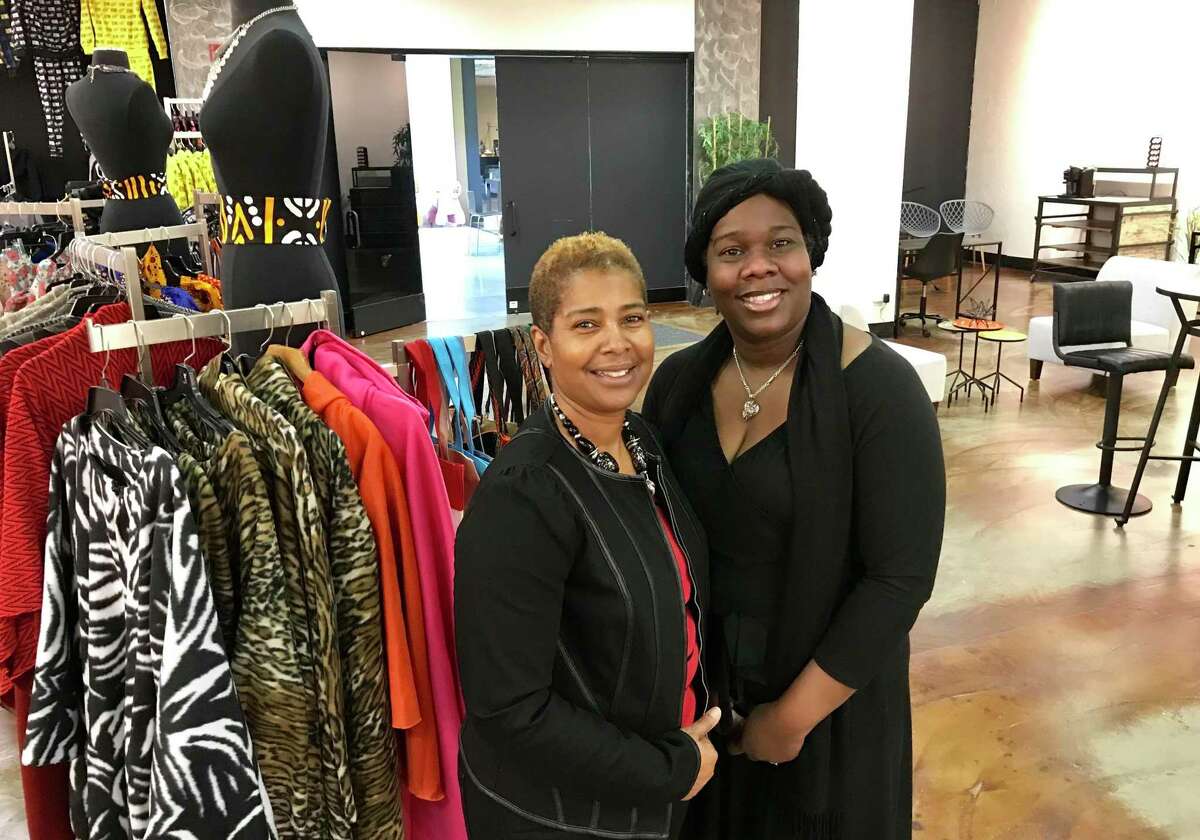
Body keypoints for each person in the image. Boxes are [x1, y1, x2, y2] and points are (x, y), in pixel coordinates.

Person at [643, 159, 945, 839]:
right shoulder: (679, 386)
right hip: (706, 703)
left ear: (811, 253)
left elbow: (899, 580)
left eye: (780, 243)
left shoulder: (880, 393)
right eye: (731, 251)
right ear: (707, 270)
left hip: (828, 713)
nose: (757, 267)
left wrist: (792, 717)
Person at [455, 232, 721, 840]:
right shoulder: (524, 495)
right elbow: (509, 711)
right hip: (564, 816)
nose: (617, 343)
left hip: (654, 792)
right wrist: (668, 767)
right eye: (586, 324)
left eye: (632, 318)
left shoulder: (642, 443)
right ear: (544, 346)